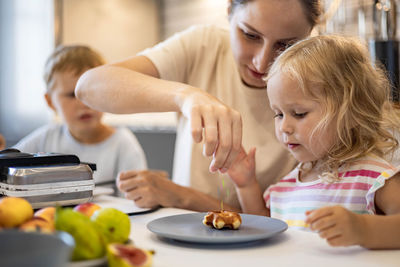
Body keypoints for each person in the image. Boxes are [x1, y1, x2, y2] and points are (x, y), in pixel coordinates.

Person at [75, 0, 322, 211]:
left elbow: (282, 222)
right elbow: (89, 87)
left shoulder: (321, 82)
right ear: (229, 12)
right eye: (250, 35)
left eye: (286, 45)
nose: (261, 62)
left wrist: (182, 196)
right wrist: (185, 96)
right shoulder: (204, 45)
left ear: (310, 33)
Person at [226, 35, 400, 249]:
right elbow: (264, 228)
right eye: (278, 114)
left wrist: (362, 228)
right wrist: (246, 185)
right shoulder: (286, 187)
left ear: (351, 113)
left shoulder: (374, 177)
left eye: (299, 113)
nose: (284, 127)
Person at [14, 45, 148, 187]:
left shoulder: (123, 145)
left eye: (93, 92)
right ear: (50, 101)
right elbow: (8, 165)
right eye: (72, 95)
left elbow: (137, 199)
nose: (85, 103)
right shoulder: (45, 138)